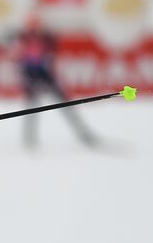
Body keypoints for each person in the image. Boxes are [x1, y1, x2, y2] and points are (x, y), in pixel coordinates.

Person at [11, 15, 97, 147]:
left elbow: (51, 53)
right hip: (32, 74)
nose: (34, 29)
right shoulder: (23, 37)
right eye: (32, 26)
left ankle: (83, 133)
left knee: (62, 104)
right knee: (32, 107)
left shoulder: (45, 38)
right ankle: (29, 138)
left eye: (36, 26)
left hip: (44, 74)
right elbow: (18, 57)